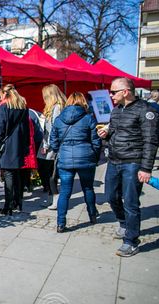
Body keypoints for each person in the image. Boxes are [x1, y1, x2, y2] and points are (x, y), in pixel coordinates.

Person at [97, 77, 158, 257]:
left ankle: (131, 241)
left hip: (133, 162)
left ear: (126, 92)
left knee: (131, 202)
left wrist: (146, 168)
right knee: (110, 196)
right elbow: (114, 133)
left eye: (113, 92)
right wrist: (106, 135)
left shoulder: (146, 111)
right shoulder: (116, 111)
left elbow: (150, 141)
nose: (110, 94)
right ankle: (123, 223)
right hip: (114, 161)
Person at [50, 92, 101, 232]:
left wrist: (60, 151)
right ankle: (92, 215)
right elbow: (96, 142)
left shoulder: (59, 119)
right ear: (83, 102)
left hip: (65, 159)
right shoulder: (88, 118)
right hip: (86, 157)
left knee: (65, 192)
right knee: (88, 188)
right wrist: (94, 156)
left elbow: (53, 142)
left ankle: (61, 223)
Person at [0, 84, 34, 215]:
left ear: (5, 94)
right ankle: (18, 202)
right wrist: (27, 146)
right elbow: (26, 129)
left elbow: (0, 127)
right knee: (17, 174)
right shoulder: (23, 107)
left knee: (9, 175)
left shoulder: (4, 107)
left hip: (8, 146)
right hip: (20, 145)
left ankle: (8, 206)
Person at [37, 84, 66, 210]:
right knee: (48, 172)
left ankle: (55, 199)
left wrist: (47, 145)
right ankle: (53, 198)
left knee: (50, 173)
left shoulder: (57, 108)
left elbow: (54, 128)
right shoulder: (55, 107)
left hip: (52, 146)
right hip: (50, 144)